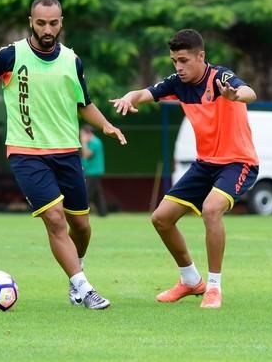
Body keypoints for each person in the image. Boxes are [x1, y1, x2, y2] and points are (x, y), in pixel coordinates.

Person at [0, 0, 127, 310]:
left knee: (82, 226)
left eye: (53, 23)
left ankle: (76, 275)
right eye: (41, 23)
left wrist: (106, 125)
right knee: (54, 218)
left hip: (67, 153)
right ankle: (84, 288)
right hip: (26, 153)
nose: (47, 29)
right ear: (30, 22)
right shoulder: (10, 56)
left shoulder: (72, 61)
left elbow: (84, 104)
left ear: (61, 22)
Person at [110, 29, 259, 309]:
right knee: (161, 219)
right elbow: (145, 92)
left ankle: (213, 288)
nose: (178, 67)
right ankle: (191, 280)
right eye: (174, 61)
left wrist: (236, 96)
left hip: (239, 161)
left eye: (183, 60)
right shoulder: (177, 83)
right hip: (205, 164)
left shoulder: (219, 78)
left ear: (200, 56)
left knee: (211, 209)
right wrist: (130, 97)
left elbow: (249, 91)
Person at [80, 124, 108, 217]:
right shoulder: (91, 142)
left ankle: (82, 211)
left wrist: (83, 142)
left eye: (82, 134)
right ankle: (102, 212)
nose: (81, 137)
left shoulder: (95, 142)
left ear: (88, 133)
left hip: (93, 172)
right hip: (90, 171)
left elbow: (87, 154)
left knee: (86, 193)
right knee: (97, 194)